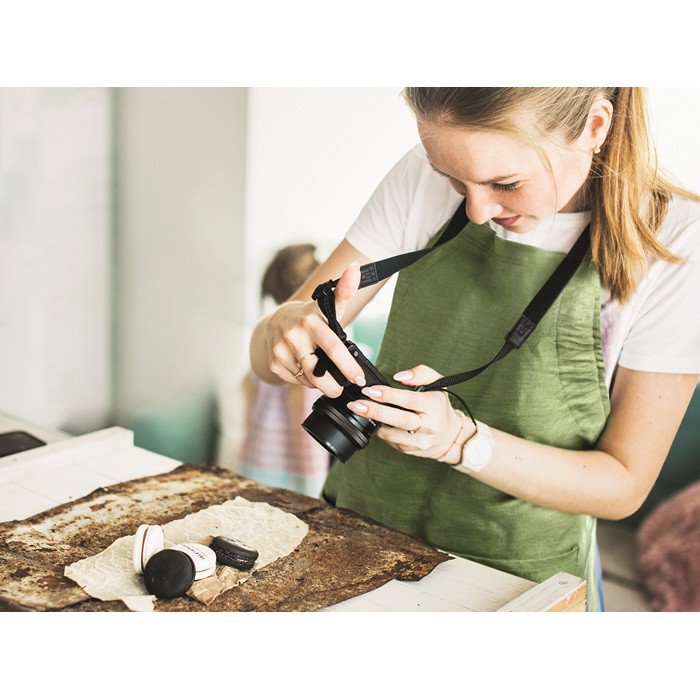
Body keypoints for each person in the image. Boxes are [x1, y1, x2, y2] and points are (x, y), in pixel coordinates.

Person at [249, 88, 700, 611]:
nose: (477, 210)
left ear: (595, 127)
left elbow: (623, 485)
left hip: (518, 585)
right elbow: (266, 364)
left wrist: (461, 442)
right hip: (357, 538)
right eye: (453, 181)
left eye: (506, 184)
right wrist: (278, 329)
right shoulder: (424, 172)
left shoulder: (676, 241)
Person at [237, 243, 330, 497]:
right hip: (297, 469)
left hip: (258, 458)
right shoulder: (307, 353)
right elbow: (300, 413)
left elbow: (248, 396)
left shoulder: (267, 346)